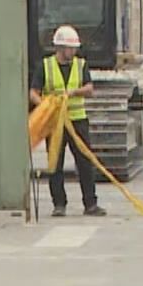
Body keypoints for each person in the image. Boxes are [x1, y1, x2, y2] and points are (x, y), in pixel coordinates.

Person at [28, 24, 105, 218]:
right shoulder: (45, 66)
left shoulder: (80, 65)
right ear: (60, 48)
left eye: (74, 48)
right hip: (55, 123)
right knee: (55, 163)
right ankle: (59, 204)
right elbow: (33, 93)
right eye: (70, 48)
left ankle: (90, 204)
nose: (73, 51)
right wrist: (47, 105)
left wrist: (73, 93)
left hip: (78, 120)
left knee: (85, 162)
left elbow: (89, 89)